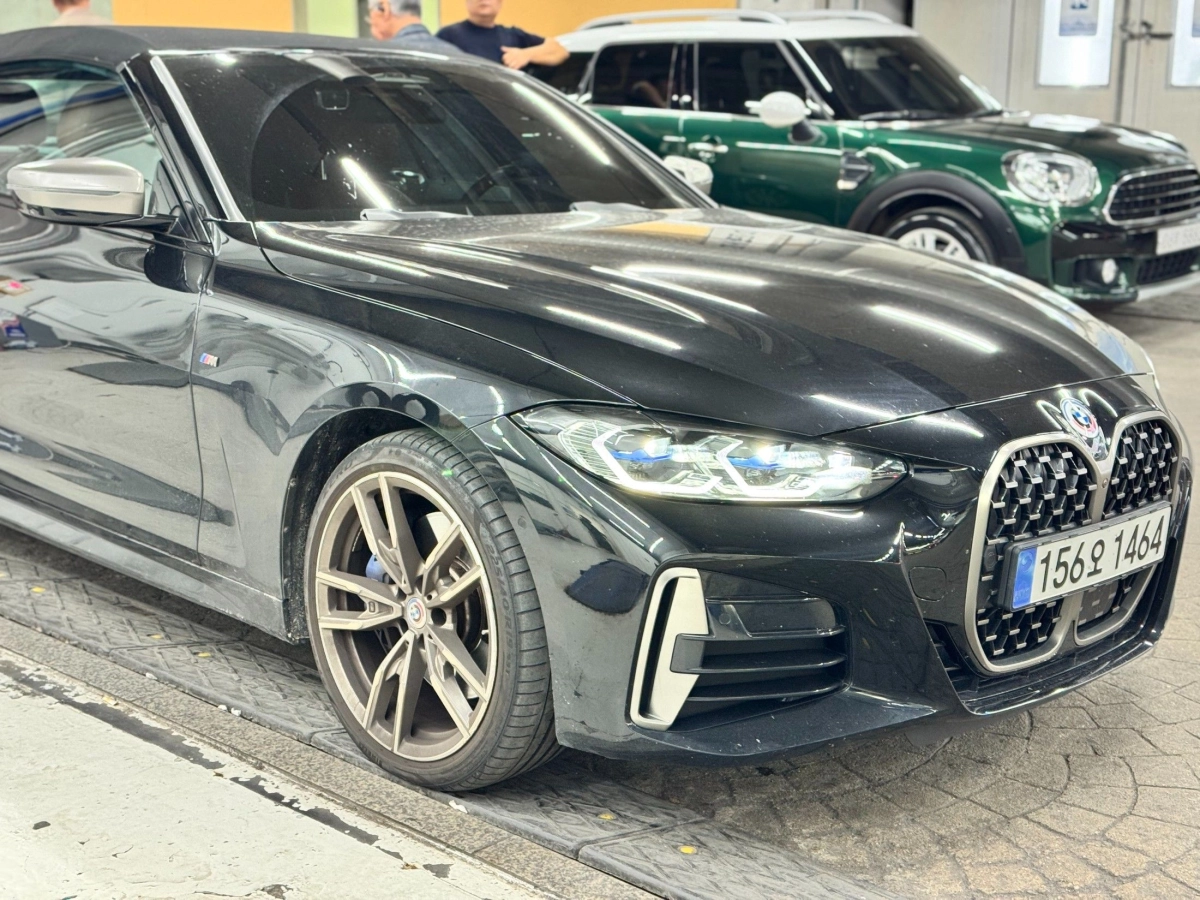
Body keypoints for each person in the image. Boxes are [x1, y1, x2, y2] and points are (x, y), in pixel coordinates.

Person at [437, 0, 568, 70]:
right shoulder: (448, 35)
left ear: (499, 3)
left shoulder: (513, 36)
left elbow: (559, 51)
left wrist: (526, 55)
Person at [367, 0, 461, 54]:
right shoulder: (456, 55)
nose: (371, 21)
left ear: (384, 8)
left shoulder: (380, 56)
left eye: (370, 12)